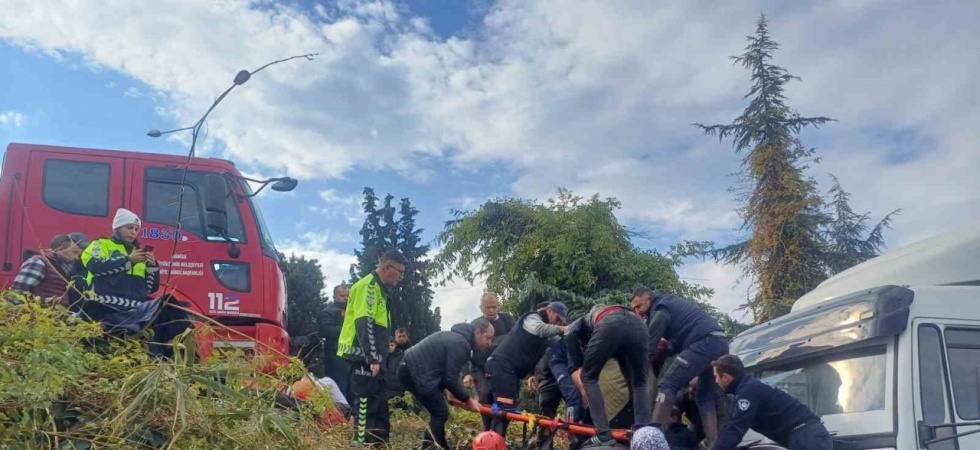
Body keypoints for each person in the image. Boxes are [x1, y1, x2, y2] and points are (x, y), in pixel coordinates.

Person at [631, 287, 729, 446]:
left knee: (667, 384)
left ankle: (651, 442)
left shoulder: (660, 308)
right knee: (704, 396)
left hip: (704, 342)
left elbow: (649, 347)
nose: (637, 311)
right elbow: (677, 342)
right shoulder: (672, 306)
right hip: (719, 342)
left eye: (638, 306)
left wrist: (637, 372)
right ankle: (714, 444)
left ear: (648, 299)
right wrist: (666, 349)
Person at [337, 250, 407, 446]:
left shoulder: (380, 290)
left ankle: (379, 442)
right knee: (366, 404)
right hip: (361, 356)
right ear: (386, 268)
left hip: (373, 357)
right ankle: (361, 445)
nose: (401, 277)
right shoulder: (368, 286)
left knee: (379, 403)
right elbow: (364, 323)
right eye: (400, 272)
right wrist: (372, 357)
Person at [399, 319, 494, 450]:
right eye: (488, 338)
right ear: (478, 332)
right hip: (414, 371)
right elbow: (451, 378)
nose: (489, 343)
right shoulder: (461, 344)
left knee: (439, 411)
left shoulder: (457, 339)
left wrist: (448, 392)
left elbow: (444, 373)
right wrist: (468, 399)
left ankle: (438, 446)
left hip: (410, 369)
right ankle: (432, 447)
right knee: (440, 412)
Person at [565, 304, 650, 447]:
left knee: (588, 377)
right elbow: (623, 360)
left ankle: (603, 434)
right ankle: (644, 434)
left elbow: (568, 333)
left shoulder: (583, 321)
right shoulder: (612, 321)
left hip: (611, 324)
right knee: (639, 383)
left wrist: (580, 365)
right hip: (639, 325)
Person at [711, 355, 832, 450]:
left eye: (716, 376)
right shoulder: (747, 387)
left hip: (806, 436)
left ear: (726, 377)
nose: (716, 381)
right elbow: (731, 424)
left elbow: (736, 428)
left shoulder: (748, 391)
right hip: (806, 435)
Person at [484, 301, 568, 436]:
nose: (558, 323)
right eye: (558, 319)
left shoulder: (547, 334)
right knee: (503, 412)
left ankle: (492, 441)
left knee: (504, 411)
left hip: (510, 372)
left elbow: (553, 343)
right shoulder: (532, 318)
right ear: (550, 311)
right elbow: (541, 329)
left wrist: (530, 375)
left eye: (561, 322)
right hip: (502, 367)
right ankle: (493, 443)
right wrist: (565, 329)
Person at [80, 208, 161, 333]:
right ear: (117, 228)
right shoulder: (101, 243)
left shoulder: (139, 253)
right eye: (129, 228)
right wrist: (128, 261)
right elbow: (95, 267)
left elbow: (151, 288)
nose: (133, 232)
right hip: (104, 310)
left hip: (135, 315)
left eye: (136, 229)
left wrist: (152, 267)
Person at [463, 293, 517, 430]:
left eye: (494, 307)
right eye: (487, 308)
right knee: (486, 395)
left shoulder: (507, 320)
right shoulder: (475, 324)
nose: (491, 310)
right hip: (480, 366)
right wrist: (466, 373)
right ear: (481, 308)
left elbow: (517, 340)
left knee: (503, 401)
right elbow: (465, 348)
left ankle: (499, 435)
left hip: (502, 368)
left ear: (498, 306)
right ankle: (488, 431)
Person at [9, 233, 87, 308]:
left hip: (54, 318)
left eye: (79, 255)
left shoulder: (72, 268)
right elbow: (16, 294)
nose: (76, 258)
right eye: (74, 252)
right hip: (38, 317)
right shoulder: (39, 263)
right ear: (61, 248)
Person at [318, 283, 351, 400]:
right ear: (335, 296)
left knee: (351, 389)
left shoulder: (353, 311)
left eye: (348, 296)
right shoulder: (328, 312)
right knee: (338, 388)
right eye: (343, 296)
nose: (346, 298)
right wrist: (348, 330)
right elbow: (325, 330)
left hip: (351, 356)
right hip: (335, 355)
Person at [675, 377, 731, 445]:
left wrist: (706, 442)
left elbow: (722, 423)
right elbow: (674, 409)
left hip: (715, 427)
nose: (690, 390)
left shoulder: (719, 400)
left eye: (695, 389)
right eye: (690, 386)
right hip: (697, 424)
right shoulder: (686, 395)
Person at [385, 335, 409, 404]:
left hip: (399, 392)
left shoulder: (402, 357)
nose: (390, 347)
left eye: (392, 345)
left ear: (395, 345)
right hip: (386, 392)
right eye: (388, 345)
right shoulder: (382, 357)